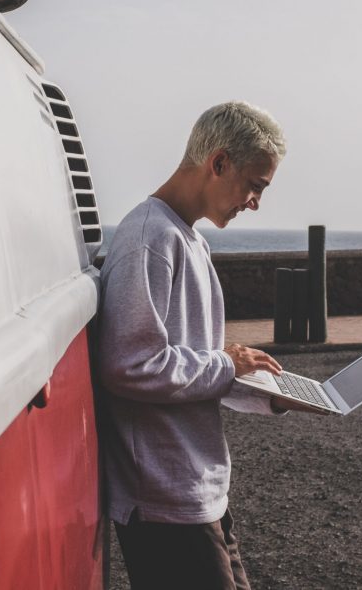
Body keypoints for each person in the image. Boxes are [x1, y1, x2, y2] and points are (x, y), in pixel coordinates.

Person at [97, 101, 321, 590]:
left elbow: (194, 364)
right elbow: (128, 365)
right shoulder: (149, 239)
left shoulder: (188, 239)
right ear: (218, 163)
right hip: (164, 499)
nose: (255, 202)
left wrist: (268, 394)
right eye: (255, 185)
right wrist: (226, 362)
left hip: (195, 491)